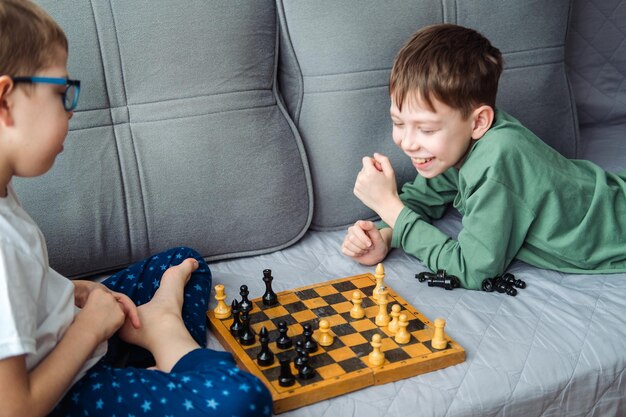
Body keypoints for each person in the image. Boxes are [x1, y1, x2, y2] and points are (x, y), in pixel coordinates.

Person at [0, 1, 271, 416]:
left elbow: (20, 289)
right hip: (58, 393)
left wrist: (72, 289)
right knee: (242, 401)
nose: (71, 110)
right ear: (4, 99)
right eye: (60, 93)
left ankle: (160, 340)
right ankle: (166, 336)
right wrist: (91, 328)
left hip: (69, 340)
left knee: (184, 261)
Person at [341, 23, 626, 290]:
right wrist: (385, 236)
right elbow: (422, 199)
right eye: (399, 123)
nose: (408, 142)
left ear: (478, 122)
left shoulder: (497, 159)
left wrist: (390, 207)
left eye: (426, 129)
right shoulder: (455, 145)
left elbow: (473, 270)